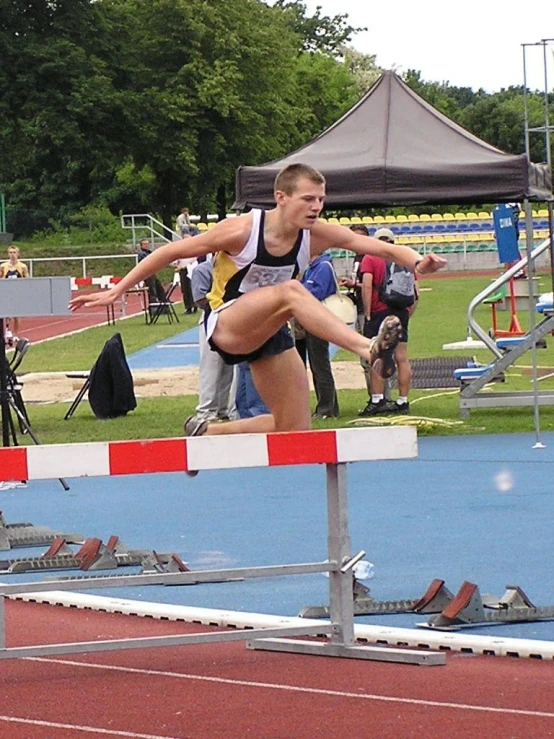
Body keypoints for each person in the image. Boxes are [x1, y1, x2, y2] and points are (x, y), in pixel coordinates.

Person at [70, 163, 445, 439]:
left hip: (269, 329)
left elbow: (373, 245)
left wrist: (416, 261)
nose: (317, 207)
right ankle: (367, 349)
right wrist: (118, 289)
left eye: (322, 199)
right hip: (228, 324)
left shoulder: (315, 235)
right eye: (308, 199)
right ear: (281, 198)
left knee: (294, 426)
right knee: (292, 292)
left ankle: (209, 433)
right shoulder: (243, 230)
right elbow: (170, 252)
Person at [358, 227, 419, 416]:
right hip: (401, 310)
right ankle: (403, 401)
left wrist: (368, 314)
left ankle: (377, 399)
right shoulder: (403, 259)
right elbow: (416, 292)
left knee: (377, 355)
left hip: (379, 310)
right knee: (402, 356)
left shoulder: (370, 258)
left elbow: (367, 286)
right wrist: (407, 313)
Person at [191, 256, 237, 422]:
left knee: (229, 368)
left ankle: (223, 408)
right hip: (212, 318)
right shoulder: (203, 270)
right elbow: (200, 299)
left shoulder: (235, 266)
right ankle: (206, 411)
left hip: (233, 319)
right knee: (211, 367)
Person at [298, 251, 339, 419]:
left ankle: (327, 409)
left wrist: (299, 291)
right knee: (307, 365)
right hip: (306, 320)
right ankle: (324, 407)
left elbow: (318, 293)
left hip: (318, 321)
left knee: (319, 365)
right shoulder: (311, 267)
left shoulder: (322, 267)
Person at [339, 225, 371, 395]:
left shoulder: (369, 257)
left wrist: (354, 285)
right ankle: (374, 396)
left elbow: (372, 286)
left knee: (369, 354)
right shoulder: (357, 258)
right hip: (359, 307)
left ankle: (378, 397)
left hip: (366, 311)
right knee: (365, 356)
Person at [0, 244, 29, 345]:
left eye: (14, 252)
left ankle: (15, 334)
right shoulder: (3, 266)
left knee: (16, 315)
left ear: (18, 254)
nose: (12, 255)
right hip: (6, 293)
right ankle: (7, 332)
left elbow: (27, 280)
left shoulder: (22, 267)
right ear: (8, 254)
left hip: (18, 293)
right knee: (6, 314)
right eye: (11, 253)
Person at [137, 238, 166, 308]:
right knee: (152, 291)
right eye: (145, 244)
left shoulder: (149, 252)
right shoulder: (142, 254)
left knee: (160, 289)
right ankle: (154, 308)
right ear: (141, 246)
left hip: (152, 273)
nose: (146, 245)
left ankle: (164, 305)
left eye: (147, 244)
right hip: (148, 274)